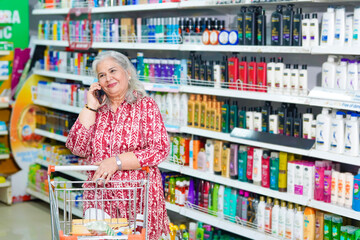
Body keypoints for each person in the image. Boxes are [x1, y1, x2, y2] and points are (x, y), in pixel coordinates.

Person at [65, 50, 170, 239]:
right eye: (102, 75)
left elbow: (160, 149)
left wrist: (116, 161)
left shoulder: (145, 105)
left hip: (138, 197)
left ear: (128, 73)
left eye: (113, 71)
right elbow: (77, 147)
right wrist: (90, 106)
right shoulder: (96, 108)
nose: (108, 78)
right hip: (101, 199)